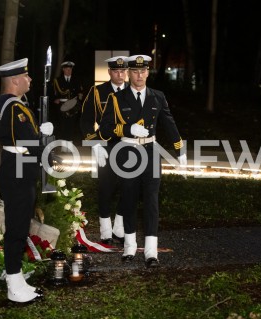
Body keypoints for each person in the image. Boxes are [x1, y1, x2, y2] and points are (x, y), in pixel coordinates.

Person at [99, 55, 187, 268]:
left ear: (148, 72)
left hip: (151, 152)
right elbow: (104, 129)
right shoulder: (117, 98)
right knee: (128, 200)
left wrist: (180, 151)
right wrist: (128, 129)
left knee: (151, 201)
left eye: (143, 71)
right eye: (135, 71)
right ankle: (129, 245)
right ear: (129, 73)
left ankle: (151, 251)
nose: (139, 75)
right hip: (128, 152)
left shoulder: (158, 96)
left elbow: (170, 123)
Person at [0, 58, 53, 302]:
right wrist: (46, 145)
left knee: (20, 226)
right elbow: (26, 141)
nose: (29, 80)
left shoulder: (10, 104)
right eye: (26, 76)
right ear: (15, 80)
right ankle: (13, 284)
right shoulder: (14, 108)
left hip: (18, 168)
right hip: (18, 170)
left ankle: (17, 278)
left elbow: (20, 138)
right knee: (16, 229)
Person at [80, 56, 129, 244]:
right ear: (109, 72)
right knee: (106, 188)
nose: (120, 74)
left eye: (123, 71)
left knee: (128, 187)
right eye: (116, 71)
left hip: (128, 145)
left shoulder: (132, 92)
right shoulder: (98, 92)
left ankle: (119, 226)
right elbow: (86, 120)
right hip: (105, 145)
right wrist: (95, 144)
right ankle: (105, 228)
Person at [52, 61, 84, 147]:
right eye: (67, 69)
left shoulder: (76, 80)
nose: (69, 71)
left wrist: (79, 99)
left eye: (70, 69)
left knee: (71, 126)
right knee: (63, 126)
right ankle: (63, 145)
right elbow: (53, 93)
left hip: (73, 106)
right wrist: (55, 99)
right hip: (62, 105)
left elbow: (80, 92)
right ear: (63, 70)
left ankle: (69, 146)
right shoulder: (57, 80)